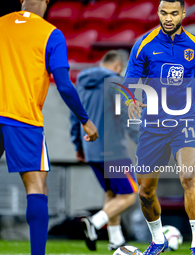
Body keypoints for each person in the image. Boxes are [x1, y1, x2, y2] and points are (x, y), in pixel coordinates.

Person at [0, 0, 98, 255]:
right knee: (37, 188)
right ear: (47, 1)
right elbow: (65, 85)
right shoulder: (51, 34)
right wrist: (85, 120)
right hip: (24, 121)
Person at [122, 0, 195, 254]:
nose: (168, 18)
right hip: (153, 126)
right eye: (163, 12)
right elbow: (130, 80)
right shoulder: (144, 45)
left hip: (185, 123)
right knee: (145, 192)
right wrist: (130, 100)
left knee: (188, 177)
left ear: (183, 13)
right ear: (158, 13)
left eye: (173, 13)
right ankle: (158, 239)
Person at [70, 51, 139, 251]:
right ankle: (96, 222)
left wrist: (78, 146)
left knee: (112, 192)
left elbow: (75, 116)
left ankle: (115, 239)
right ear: (118, 65)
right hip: (114, 151)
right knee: (129, 195)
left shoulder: (82, 81)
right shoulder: (117, 82)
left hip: (91, 149)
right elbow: (128, 115)